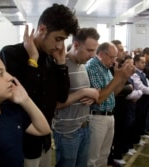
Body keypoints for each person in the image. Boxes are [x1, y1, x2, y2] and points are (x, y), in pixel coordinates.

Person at [0, 3, 79, 167]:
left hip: (44, 139)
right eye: (57, 39)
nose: (59, 46)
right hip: (22, 141)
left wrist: (62, 63)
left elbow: (62, 97)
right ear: (42, 29)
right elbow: (20, 98)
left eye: (63, 40)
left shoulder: (51, 58)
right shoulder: (10, 53)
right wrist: (32, 61)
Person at [52, 27, 100, 167]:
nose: (92, 55)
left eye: (94, 50)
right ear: (76, 45)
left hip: (84, 127)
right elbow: (55, 103)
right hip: (67, 131)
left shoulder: (82, 65)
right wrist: (83, 92)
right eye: (89, 50)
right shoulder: (60, 65)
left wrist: (90, 96)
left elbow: (86, 93)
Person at [85, 42, 135, 166]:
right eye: (112, 57)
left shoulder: (105, 68)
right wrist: (117, 78)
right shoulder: (92, 67)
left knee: (104, 155)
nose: (114, 61)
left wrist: (123, 78)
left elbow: (114, 93)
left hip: (109, 116)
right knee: (92, 158)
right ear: (101, 54)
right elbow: (99, 98)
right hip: (97, 117)